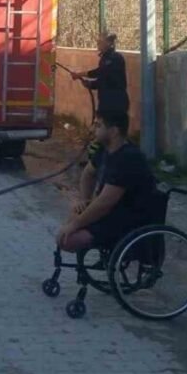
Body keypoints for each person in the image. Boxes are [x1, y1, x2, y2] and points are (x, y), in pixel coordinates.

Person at [56, 110, 157, 253]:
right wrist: (84, 200)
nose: (93, 129)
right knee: (72, 220)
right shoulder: (104, 151)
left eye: (98, 125)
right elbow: (88, 174)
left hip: (127, 219)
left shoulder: (128, 158)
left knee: (68, 239)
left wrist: (76, 225)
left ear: (114, 131)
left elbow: (105, 202)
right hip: (113, 213)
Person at [73, 31, 129, 115]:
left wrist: (80, 75)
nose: (98, 43)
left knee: (109, 127)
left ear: (109, 43)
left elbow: (101, 73)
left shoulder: (114, 58)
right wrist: (91, 84)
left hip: (115, 103)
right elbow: (103, 79)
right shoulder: (105, 58)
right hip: (106, 102)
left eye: (101, 41)